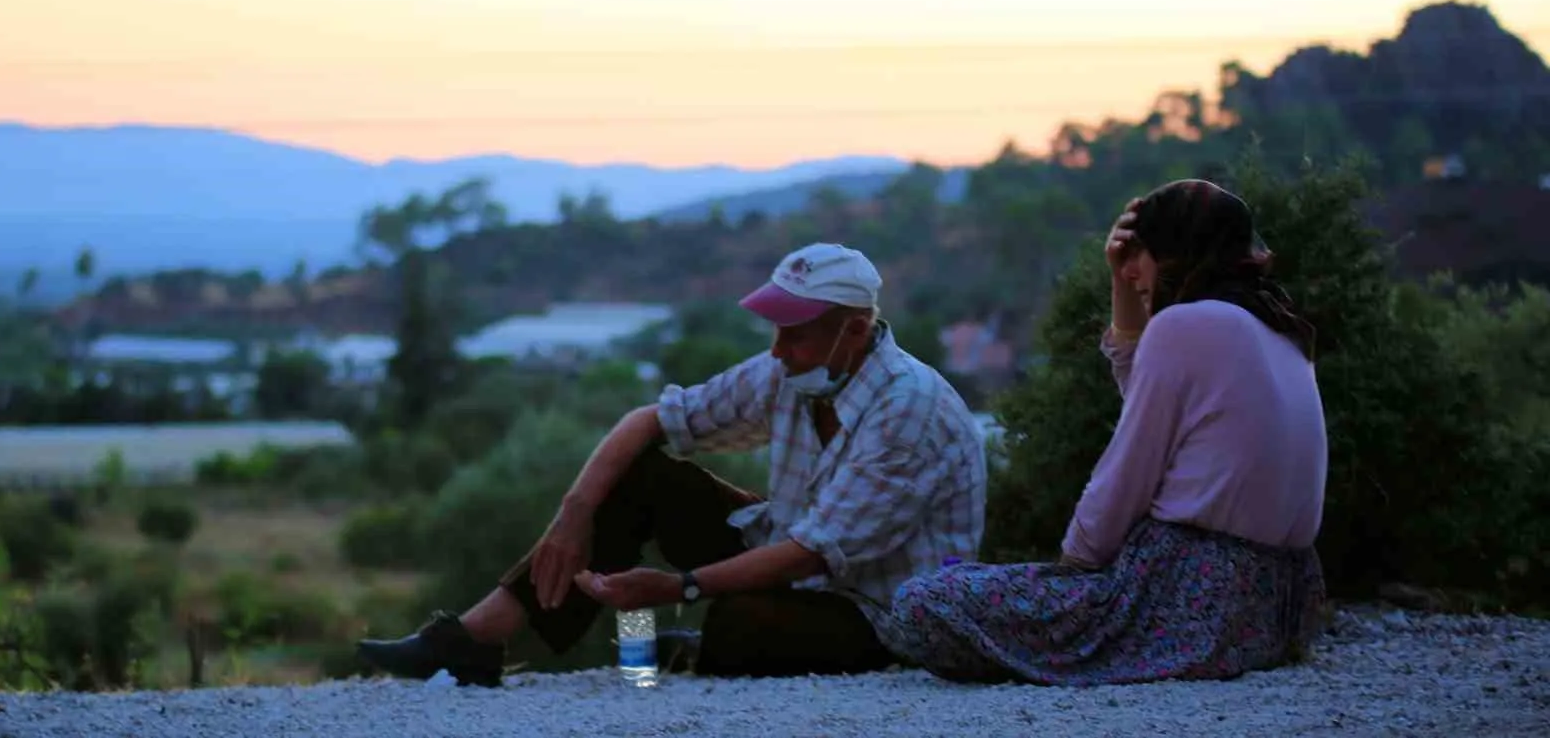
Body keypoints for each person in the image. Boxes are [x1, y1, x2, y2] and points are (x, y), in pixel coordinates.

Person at [355, 242, 988, 685]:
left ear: (854, 331)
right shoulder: (794, 370)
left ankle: (694, 648)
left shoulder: (909, 412)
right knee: (641, 475)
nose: (778, 348)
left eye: (794, 331)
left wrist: (679, 587)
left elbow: (814, 553)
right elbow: (650, 420)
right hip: (797, 564)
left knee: (743, 623)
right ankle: (474, 641)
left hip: (874, 613)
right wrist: (572, 518)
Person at [882, 179, 1328, 685]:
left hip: (1188, 594)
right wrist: (1124, 290)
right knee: (959, 583)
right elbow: (1148, 397)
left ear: (1180, 253)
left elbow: (1129, 469)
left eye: (1142, 255)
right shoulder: (1279, 328)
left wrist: (1075, 566)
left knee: (925, 600)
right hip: (1283, 606)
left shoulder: (1185, 325)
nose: (1132, 269)